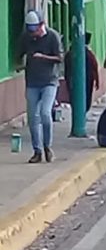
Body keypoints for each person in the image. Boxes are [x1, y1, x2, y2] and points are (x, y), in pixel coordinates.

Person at [18, 11, 63, 164]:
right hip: (32, 82)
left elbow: (60, 58)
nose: (33, 34)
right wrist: (20, 64)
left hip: (49, 81)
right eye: (30, 30)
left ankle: (47, 146)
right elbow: (19, 53)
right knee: (32, 117)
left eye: (34, 30)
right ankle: (37, 150)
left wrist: (43, 57)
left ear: (41, 25)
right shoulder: (27, 37)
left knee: (45, 113)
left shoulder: (52, 36)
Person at [64, 32, 100, 114]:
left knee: (74, 98)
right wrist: (97, 80)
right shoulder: (89, 54)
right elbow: (95, 67)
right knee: (86, 98)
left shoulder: (70, 53)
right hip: (87, 80)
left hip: (75, 80)